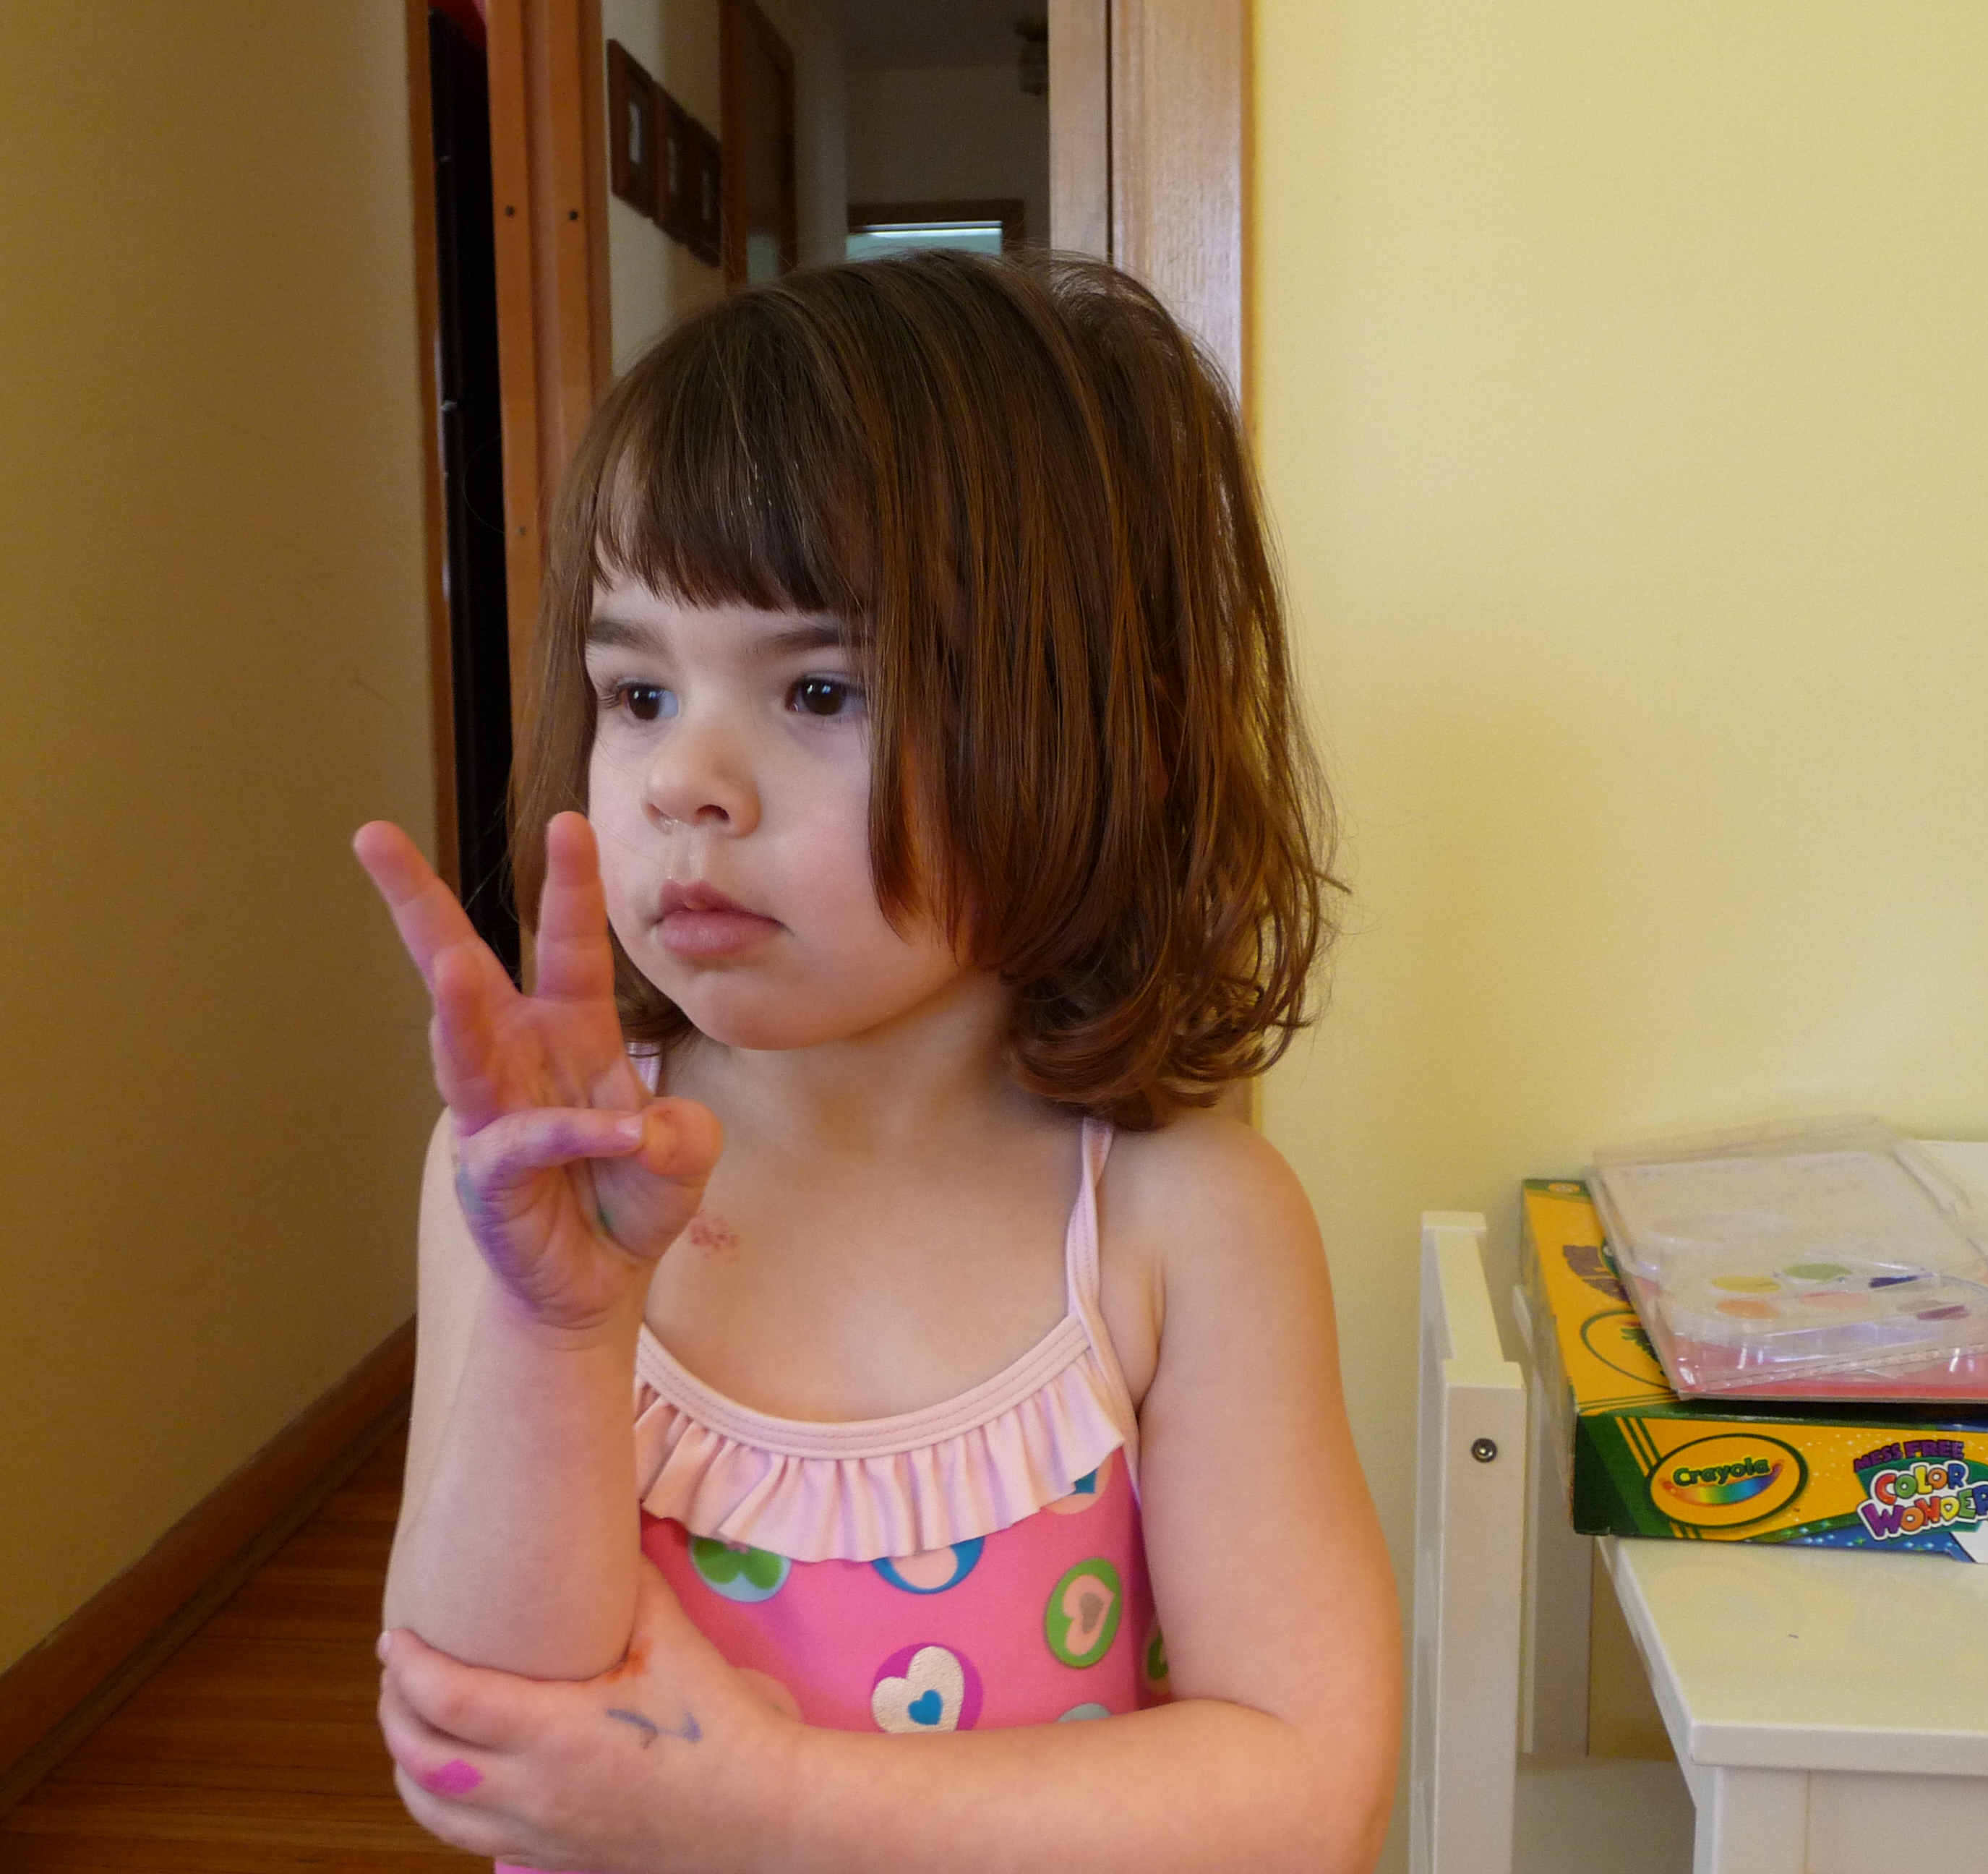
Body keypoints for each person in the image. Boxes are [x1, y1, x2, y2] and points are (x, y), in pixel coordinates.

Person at [353, 250, 1401, 1873]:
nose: (685, 780)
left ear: (1096, 736)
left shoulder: (1180, 1221)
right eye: (639, 691)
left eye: (820, 687)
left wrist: (764, 1804)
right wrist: (562, 1328)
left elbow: (1306, 1793)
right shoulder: (537, 1174)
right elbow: (475, 1744)